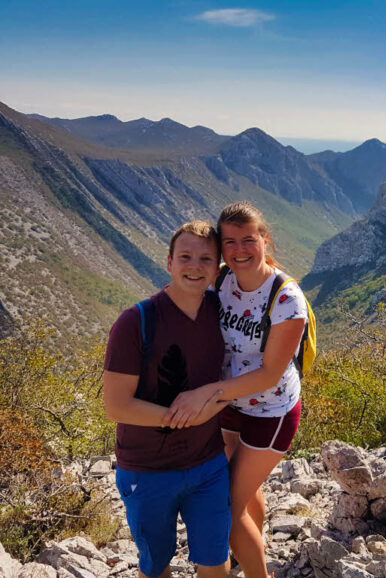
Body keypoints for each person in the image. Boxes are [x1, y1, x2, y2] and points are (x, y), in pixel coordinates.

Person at [165, 202, 307, 578]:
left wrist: (205, 394)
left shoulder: (286, 299)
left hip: (271, 412)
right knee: (241, 490)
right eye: (230, 241)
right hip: (229, 404)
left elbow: (269, 373)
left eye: (249, 239)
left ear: (265, 239)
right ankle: (251, 546)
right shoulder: (224, 278)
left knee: (225, 503)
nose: (240, 249)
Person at [103, 220, 231, 578]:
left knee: (215, 562)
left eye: (206, 259)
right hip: (147, 471)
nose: (195, 266)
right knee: (156, 565)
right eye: (185, 256)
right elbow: (116, 405)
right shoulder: (136, 321)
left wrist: (209, 406)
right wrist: (185, 416)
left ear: (218, 269)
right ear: (169, 262)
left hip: (208, 464)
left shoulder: (222, 312)